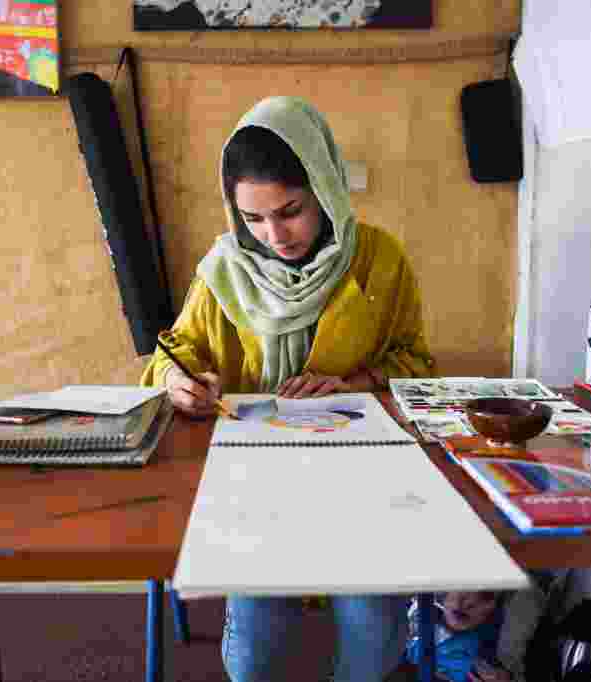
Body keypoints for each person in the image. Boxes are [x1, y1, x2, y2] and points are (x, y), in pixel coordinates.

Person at [140, 96, 435, 682]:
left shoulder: (379, 260)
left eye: (291, 210)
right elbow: (171, 357)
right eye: (253, 218)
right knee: (254, 652)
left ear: (324, 187)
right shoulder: (223, 270)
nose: (274, 234)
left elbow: (417, 364)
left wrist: (352, 384)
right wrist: (182, 383)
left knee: (373, 635)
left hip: (361, 480)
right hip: (255, 482)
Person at [405, 591, 511, 682]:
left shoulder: (480, 647)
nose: (470, 601)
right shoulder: (420, 612)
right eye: (464, 587)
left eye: (485, 596)